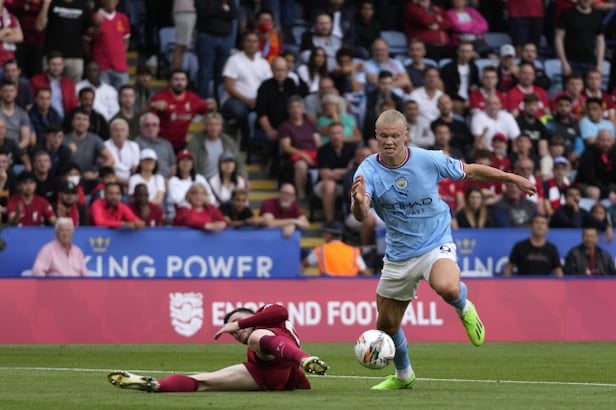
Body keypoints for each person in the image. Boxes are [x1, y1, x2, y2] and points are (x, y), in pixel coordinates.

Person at [351, 109, 536, 389]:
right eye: (384, 136)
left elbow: (471, 170)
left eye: (395, 136)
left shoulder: (428, 159)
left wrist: (512, 178)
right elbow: (361, 214)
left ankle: (464, 306)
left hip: (435, 242)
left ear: (406, 135)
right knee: (386, 326)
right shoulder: (367, 171)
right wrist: (358, 202)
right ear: (376, 135)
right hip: (399, 254)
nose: (389, 141)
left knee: (447, 287)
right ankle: (404, 376)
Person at [108, 303, 328, 392]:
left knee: (256, 336)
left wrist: (238, 324)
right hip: (266, 372)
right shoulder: (254, 343)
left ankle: (304, 359)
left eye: (237, 323)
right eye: (233, 333)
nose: (236, 332)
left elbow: (281, 311)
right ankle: (154, 385)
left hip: (285, 364)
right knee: (204, 381)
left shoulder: (270, 316)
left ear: (252, 315)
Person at [149, 69, 216, 151]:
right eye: (176, 79)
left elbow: (209, 112)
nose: (179, 83)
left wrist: (212, 107)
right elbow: (143, 116)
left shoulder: (193, 99)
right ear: (170, 82)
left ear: (187, 82)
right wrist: (152, 105)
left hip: (180, 144)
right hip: (160, 143)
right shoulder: (160, 97)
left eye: (182, 79)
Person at [85, 0, 131, 90]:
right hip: (101, 67)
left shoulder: (123, 18)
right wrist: (92, 58)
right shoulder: (94, 17)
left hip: (120, 67)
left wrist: (119, 56)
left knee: (123, 95)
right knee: (102, 95)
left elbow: (126, 41)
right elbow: (86, 41)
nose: (111, 1)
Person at [302, 220, 368, 276]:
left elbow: (302, 266)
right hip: (349, 286)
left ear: (329, 235)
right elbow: (365, 274)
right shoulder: (353, 251)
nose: (323, 235)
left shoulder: (321, 250)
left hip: (328, 285)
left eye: (324, 233)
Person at [29, 51, 79, 121]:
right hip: (41, 120)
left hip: (64, 120)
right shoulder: (35, 81)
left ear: (63, 65)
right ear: (47, 65)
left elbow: (73, 106)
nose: (56, 68)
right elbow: (31, 103)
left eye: (59, 65)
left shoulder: (70, 84)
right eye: (53, 64)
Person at [134, 113, 176, 180]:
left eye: (154, 125)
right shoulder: (135, 145)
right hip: (147, 180)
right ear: (141, 128)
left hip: (168, 180)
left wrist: (171, 180)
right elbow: (135, 168)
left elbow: (173, 166)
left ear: (158, 128)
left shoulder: (166, 144)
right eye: (147, 125)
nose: (151, 128)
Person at [104, 118, 139, 189]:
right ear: (111, 133)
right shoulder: (105, 146)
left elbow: (135, 169)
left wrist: (130, 183)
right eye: (116, 130)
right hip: (112, 182)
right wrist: (126, 183)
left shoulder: (134, 146)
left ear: (127, 133)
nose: (119, 133)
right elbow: (106, 171)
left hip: (130, 182)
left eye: (122, 130)